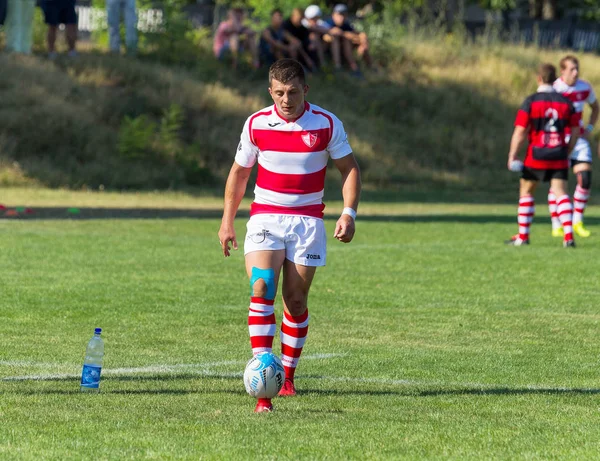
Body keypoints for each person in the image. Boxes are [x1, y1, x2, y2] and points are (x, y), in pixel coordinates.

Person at [218, 58, 361, 413]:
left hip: (308, 222)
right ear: (270, 91)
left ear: (305, 91)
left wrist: (349, 212)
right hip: (266, 217)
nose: (286, 99)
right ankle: (264, 377)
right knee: (261, 286)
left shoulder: (327, 124)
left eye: (293, 92)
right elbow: (239, 174)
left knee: (295, 302)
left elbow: (349, 169)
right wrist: (226, 221)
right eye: (279, 92)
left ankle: (289, 378)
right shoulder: (256, 123)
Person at [506, 63, 580, 248]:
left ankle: (523, 236)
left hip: (536, 155)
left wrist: (512, 155)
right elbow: (576, 130)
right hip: (558, 154)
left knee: (526, 191)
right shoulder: (566, 103)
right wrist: (567, 150)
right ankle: (568, 237)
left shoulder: (531, 101)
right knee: (561, 193)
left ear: (538, 79)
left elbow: (520, 131)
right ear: (555, 80)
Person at [549, 55, 599, 238]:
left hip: (579, 138)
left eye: (577, 68)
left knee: (585, 179)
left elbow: (596, 107)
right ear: (562, 71)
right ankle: (556, 224)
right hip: (559, 139)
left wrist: (591, 127)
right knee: (557, 182)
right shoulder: (555, 89)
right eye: (571, 69)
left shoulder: (584, 87)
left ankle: (577, 221)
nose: (576, 72)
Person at [325, 4, 372, 73]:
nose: (341, 17)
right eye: (339, 14)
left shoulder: (346, 25)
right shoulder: (328, 23)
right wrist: (346, 35)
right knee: (338, 39)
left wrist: (363, 41)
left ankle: (369, 67)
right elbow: (328, 36)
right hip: (328, 50)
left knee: (360, 41)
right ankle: (339, 67)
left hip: (343, 49)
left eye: (344, 14)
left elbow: (356, 34)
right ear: (333, 15)